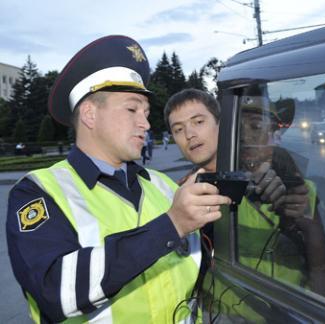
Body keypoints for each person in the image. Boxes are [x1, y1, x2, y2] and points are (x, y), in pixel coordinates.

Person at [5, 35, 231, 323]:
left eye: (147, 113)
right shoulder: (39, 191)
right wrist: (171, 225)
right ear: (89, 114)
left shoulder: (165, 186)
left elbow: (207, 270)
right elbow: (55, 290)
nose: (146, 124)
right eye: (132, 109)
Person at [164, 88, 325, 320]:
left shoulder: (294, 185)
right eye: (178, 129)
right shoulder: (180, 195)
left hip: (289, 313)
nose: (190, 134)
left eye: (198, 122)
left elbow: (320, 263)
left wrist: (317, 315)